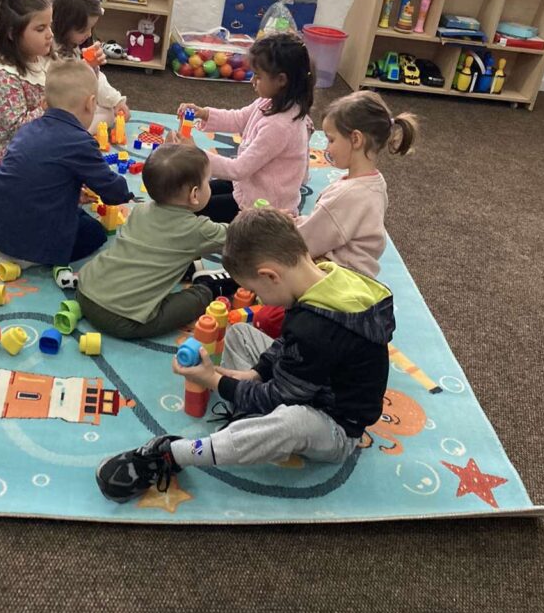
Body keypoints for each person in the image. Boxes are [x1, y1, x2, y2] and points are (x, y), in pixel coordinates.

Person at [96, 208, 395, 502]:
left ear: (270, 276)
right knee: (240, 333)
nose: (260, 299)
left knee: (293, 422)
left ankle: (173, 454)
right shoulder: (327, 275)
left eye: (255, 290)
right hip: (311, 381)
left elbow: (283, 394)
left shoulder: (316, 329)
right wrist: (256, 373)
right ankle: (250, 425)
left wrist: (215, 381)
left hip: (335, 426)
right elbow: (289, 342)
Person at [0, 58, 131, 269]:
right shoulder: (80, 141)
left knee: (69, 210)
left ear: (44, 103)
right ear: (90, 103)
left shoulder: (27, 129)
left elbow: (32, 176)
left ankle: (13, 247)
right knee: (94, 233)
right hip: (35, 239)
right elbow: (112, 191)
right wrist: (125, 194)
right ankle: (30, 256)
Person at [77, 144, 228, 339]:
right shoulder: (199, 229)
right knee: (200, 296)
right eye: (208, 181)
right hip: (123, 319)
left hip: (85, 290)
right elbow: (238, 237)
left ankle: (185, 269)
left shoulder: (139, 210)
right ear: (194, 194)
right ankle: (210, 285)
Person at [176, 31, 314, 222]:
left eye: (258, 76)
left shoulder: (280, 126)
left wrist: (195, 154)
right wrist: (204, 113)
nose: (251, 80)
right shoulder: (270, 101)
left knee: (191, 210)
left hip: (262, 207)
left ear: (281, 80)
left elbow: (238, 169)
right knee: (188, 196)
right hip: (249, 184)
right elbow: (239, 118)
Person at [297, 90, 418, 277]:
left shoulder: (347, 195)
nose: (327, 148)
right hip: (357, 276)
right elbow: (326, 226)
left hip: (335, 279)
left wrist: (280, 228)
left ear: (356, 139)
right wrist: (294, 221)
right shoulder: (376, 182)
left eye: (331, 140)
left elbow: (304, 242)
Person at [0, 0, 56, 166]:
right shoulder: (2, 78)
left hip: (44, 144)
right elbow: (18, 130)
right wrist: (48, 105)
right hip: (18, 162)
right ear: (12, 33)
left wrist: (89, 68)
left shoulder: (42, 56)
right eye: (41, 29)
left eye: (50, 26)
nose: (50, 34)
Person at [51, 0, 130, 132]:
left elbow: (97, 81)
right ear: (64, 25)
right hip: (59, 112)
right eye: (83, 30)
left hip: (74, 106)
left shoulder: (74, 46)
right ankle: (71, 134)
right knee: (104, 115)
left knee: (107, 112)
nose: (88, 34)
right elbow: (63, 90)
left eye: (91, 28)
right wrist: (86, 67)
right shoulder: (51, 50)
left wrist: (116, 101)